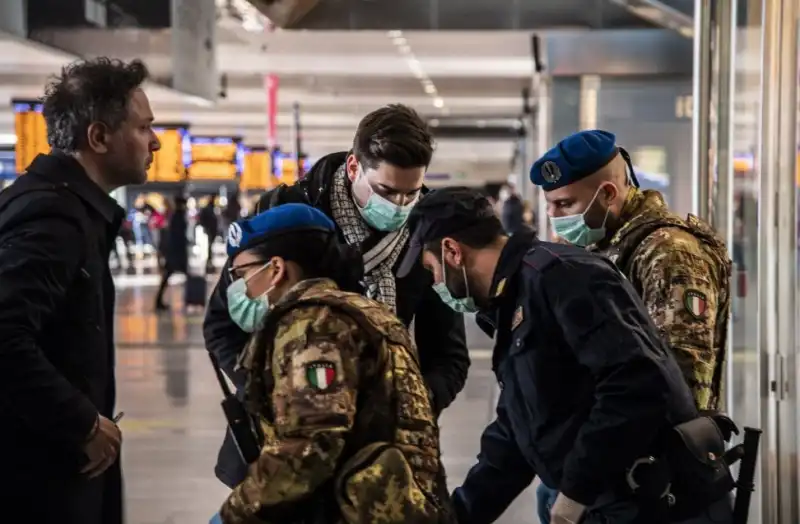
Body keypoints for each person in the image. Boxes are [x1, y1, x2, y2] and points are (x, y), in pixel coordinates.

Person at [396, 187, 733, 524]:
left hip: (656, 502)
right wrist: (457, 516)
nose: (435, 281)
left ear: (452, 251)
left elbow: (636, 384)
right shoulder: (515, 296)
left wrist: (575, 493)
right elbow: (518, 428)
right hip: (613, 501)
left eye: (431, 269)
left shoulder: (563, 278)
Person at [204, 104, 469, 487]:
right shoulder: (286, 214)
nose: (398, 207)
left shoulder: (426, 231)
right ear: (353, 167)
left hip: (381, 458)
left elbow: (448, 355)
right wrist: (272, 395)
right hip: (280, 447)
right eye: (386, 191)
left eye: (411, 194)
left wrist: (409, 406)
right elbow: (222, 325)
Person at [209, 203, 453, 524]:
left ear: (276, 269)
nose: (238, 288)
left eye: (241, 274)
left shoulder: (311, 325)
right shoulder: (365, 310)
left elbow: (313, 442)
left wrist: (236, 513)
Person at [0, 58, 160, 524]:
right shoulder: (53, 217)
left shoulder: (61, 206)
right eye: (143, 127)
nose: (156, 142)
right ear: (98, 137)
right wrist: (81, 421)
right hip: (38, 478)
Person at [531, 130, 731, 415]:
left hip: (657, 443)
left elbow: (682, 373)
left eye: (565, 204)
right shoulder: (600, 244)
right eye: (549, 205)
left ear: (608, 194)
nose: (554, 216)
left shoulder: (670, 251)